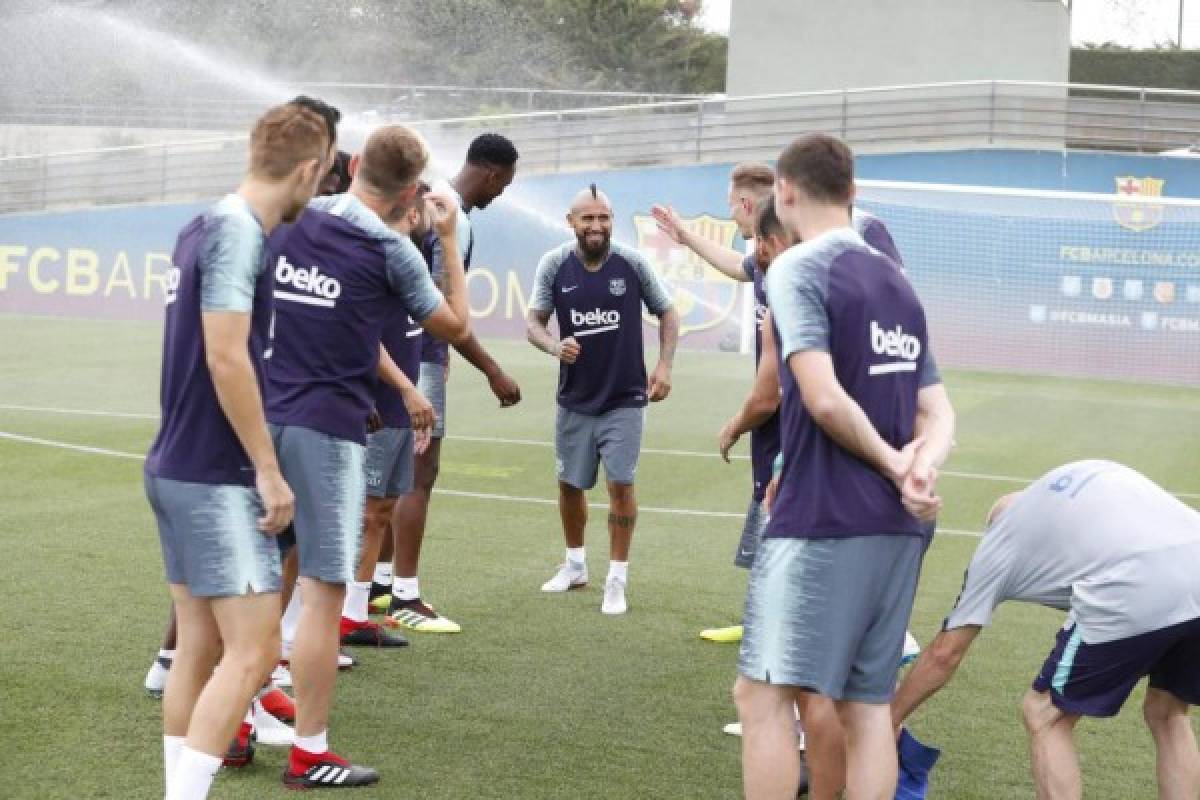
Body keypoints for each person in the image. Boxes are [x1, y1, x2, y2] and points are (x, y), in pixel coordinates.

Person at [735, 133, 954, 800]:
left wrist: (893, 464)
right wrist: (921, 467)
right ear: (854, 192)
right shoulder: (897, 281)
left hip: (824, 517)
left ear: (786, 192)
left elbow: (824, 397)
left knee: (761, 696)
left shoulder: (796, 269)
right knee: (865, 710)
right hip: (899, 528)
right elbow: (940, 412)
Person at [264, 123, 471, 789]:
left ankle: (236, 724)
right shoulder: (391, 248)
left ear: (352, 166)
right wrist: (445, 239)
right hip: (328, 431)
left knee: (259, 579)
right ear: (413, 190)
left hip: (263, 419)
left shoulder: (301, 216)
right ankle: (310, 750)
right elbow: (455, 325)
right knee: (324, 598)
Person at [143, 101, 332, 800]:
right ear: (310, 170)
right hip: (217, 477)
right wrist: (268, 468)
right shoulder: (237, 234)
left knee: (198, 647)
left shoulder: (199, 226)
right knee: (251, 654)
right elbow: (227, 358)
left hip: (174, 466)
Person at [893, 460, 1200, 800]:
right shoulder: (1075, 478)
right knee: (1169, 712)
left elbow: (944, 654)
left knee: (1045, 714)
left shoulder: (1000, 543)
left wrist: (888, 721)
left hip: (1134, 581)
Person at [382, 133, 521, 634]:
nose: (501, 194)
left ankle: (378, 584)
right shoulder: (450, 217)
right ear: (492, 174)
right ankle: (406, 594)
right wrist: (493, 370)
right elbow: (440, 308)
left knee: (395, 472)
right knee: (421, 471)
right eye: (503, 184)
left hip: (404, 352)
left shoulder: (435, 200)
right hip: (418, 354)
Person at [525, 184, 680, 615]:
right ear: (571, 222)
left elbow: (668, 312)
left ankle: (617, 578)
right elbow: (534, 323)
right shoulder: (554, 265)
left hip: (625, 398)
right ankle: (575, 565)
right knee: (570, 484)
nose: (596, 225)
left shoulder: (632, 262)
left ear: (612, 221)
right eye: (588, 218)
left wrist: (664, 366)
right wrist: (555, 346)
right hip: (574, 399)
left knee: (620, 484)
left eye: (604, 218)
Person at [339, 181, 436, 644]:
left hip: (398, 411)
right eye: (430, 207)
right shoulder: (383, 264)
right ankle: (338, 615)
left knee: (380, 510)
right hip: (378, 407)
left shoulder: (410, 265)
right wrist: (406, 391)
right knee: (364, 512)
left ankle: (354, 613)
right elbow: (366, 339)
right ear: (413, 214)